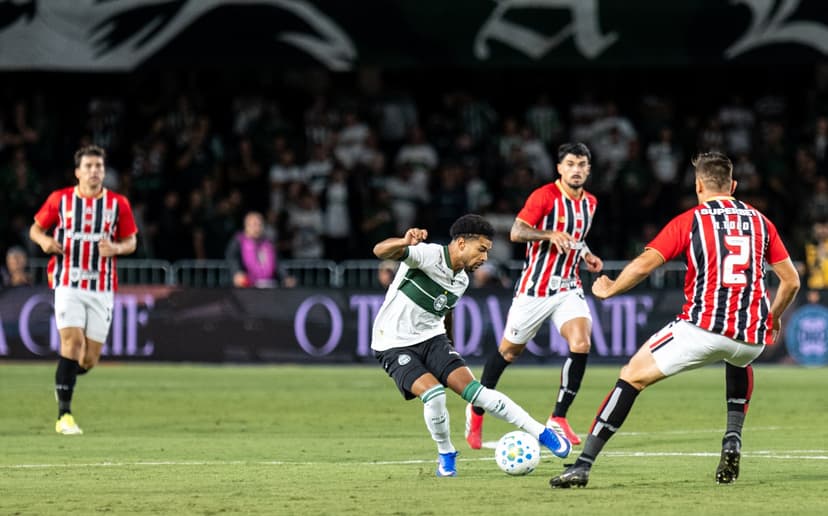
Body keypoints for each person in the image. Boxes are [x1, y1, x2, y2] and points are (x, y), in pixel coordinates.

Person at [549, 151, 800, 488]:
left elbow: (644, 264)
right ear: (734, 185)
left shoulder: (691, 220)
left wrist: (610, 288)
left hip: (702, 328)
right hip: (750, 338)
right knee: (737, 357)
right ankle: (732, 438)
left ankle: (583, 465)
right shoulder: (761, 221)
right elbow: (792, 281)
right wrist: (773, 317)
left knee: (631, 377)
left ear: (698, 186)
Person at [371, 214, 572, 477]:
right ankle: (446, 452)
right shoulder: (428, 254)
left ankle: (541, 432)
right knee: (434, 395)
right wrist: (404, 241)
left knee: (478, 392)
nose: (485, 258)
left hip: (432, 339)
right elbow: (379, 250)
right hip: (393, 343)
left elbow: (446, 311)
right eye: (482, 249)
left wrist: (449, 346)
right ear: (462, 243)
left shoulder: (462, 280)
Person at [466, 142, 603, 449]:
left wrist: (587, 256)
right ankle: (476, 410)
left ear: (588, 169)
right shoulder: (544, 196)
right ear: (559, 168)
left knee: (581, 343)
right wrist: (548, 234)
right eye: (570, 164)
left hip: (568, 286)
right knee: (508, 353)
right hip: (535, 289)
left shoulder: (590, 203)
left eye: (582, 164)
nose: (576, 170)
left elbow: (577, 239)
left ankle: (559, 417)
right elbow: (516, 232)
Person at [29, 145, 138, 435]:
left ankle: (64, 379)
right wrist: (44, 243)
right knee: (71, 343)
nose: (94, 171)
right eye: (88, 166)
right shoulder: (60, 200)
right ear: (77, 172)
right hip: (68, 281)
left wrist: (115, 247)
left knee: (88, 359)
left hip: (101, 286)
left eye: (99, 167)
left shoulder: (118, 204)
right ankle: (64, 415)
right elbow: (36, 229)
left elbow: (131, 241)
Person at [226, 211, 279, 288]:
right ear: (246, 226)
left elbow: (277, 261)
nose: (257, 228)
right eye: (254, 225)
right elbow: (231, 257)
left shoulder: (268, 242)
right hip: (246, 285)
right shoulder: (239, 240)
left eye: (259, 225)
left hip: (268, 284)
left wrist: (285, 276)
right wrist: (236, 272)